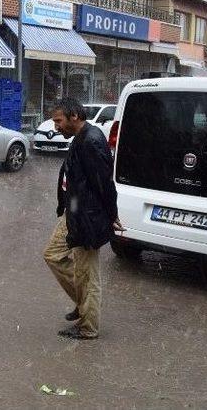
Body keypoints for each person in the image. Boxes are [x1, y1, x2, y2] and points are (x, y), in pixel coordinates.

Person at [42, 98, 124, 340]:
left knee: (88, 274)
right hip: (74, 213)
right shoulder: (80, 138)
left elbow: (105, 184)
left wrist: (112, 215)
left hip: (88, 218)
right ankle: (83, 301)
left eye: (58, 121)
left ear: (74, 117)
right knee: (53, 255)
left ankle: (88, 326)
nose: (55, 126)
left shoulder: (92, 141)